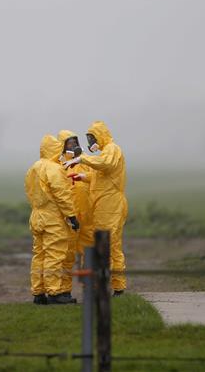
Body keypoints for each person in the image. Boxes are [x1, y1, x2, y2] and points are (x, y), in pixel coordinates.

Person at [63, 121, 128, 296]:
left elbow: (105, 164)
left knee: (107, 245)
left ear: (100, 136)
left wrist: (82, 159)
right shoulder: (106, 151)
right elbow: (102, 177)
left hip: (110, 205)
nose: (90, 143)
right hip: (104, 205)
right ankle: (116, 287)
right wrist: (83, 177)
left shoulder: (112, 149)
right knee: (109, 245)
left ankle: (109, 287)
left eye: (91, 138)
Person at [25, 134, 80, 305]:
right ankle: (55, 293)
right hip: (52, 217)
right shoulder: (54, 169)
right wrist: (71, 216)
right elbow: (62, 195)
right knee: (54, 255)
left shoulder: (34, 167)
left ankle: (38, 293)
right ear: (56, 148)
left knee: (39, 255)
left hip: (36, 216)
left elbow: (30, 191)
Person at [56, 130, 93, 301]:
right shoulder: (58, 162)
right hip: (69, 215)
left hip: (87, 213)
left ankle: (90, 289)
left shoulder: (84, 159)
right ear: (62, 145)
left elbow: (96, 177)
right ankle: (64, 291)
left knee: (89, 252)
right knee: (68, 253)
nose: (73, 146)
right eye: (69, 143)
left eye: (74, 142)